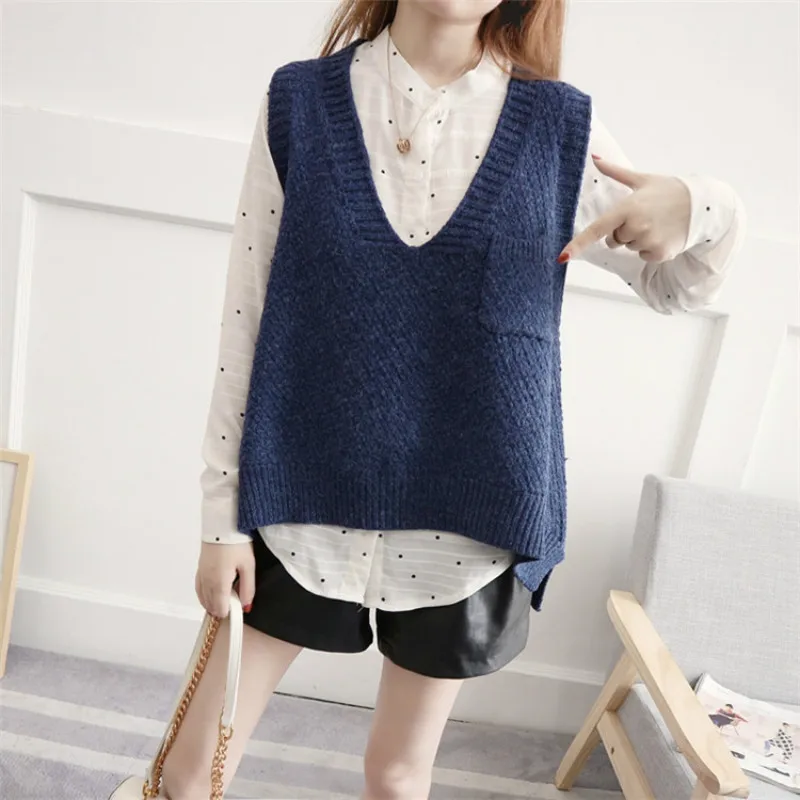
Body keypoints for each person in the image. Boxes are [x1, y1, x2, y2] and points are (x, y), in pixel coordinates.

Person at [166, 1, 745, 797]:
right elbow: (247, 317)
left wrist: (708, 205)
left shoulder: (558, 128)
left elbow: (673, 287)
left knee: (398, 774)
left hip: (470, 521)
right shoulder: (300, 103)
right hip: (300, 493)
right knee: (191, 768)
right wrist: (220, 519)